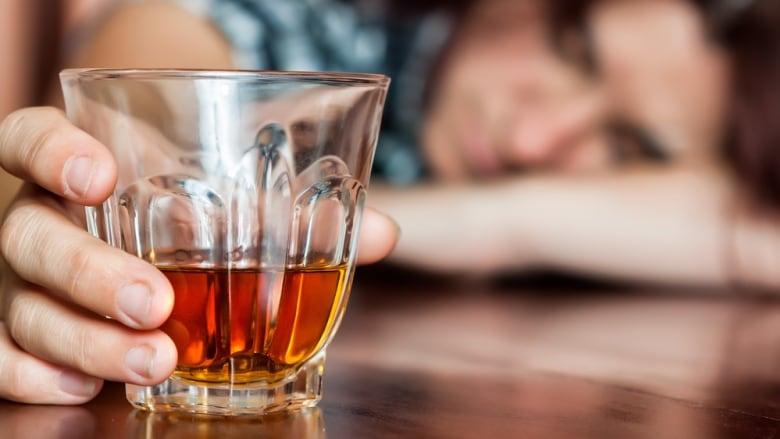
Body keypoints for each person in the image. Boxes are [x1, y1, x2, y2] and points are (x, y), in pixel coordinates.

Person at [0, 0, 777, 405]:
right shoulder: (313, 32)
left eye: (631, 148)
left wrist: (497, 223)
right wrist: (86, 196)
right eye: (574, 49)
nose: (540, 138)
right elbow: (151, 78)